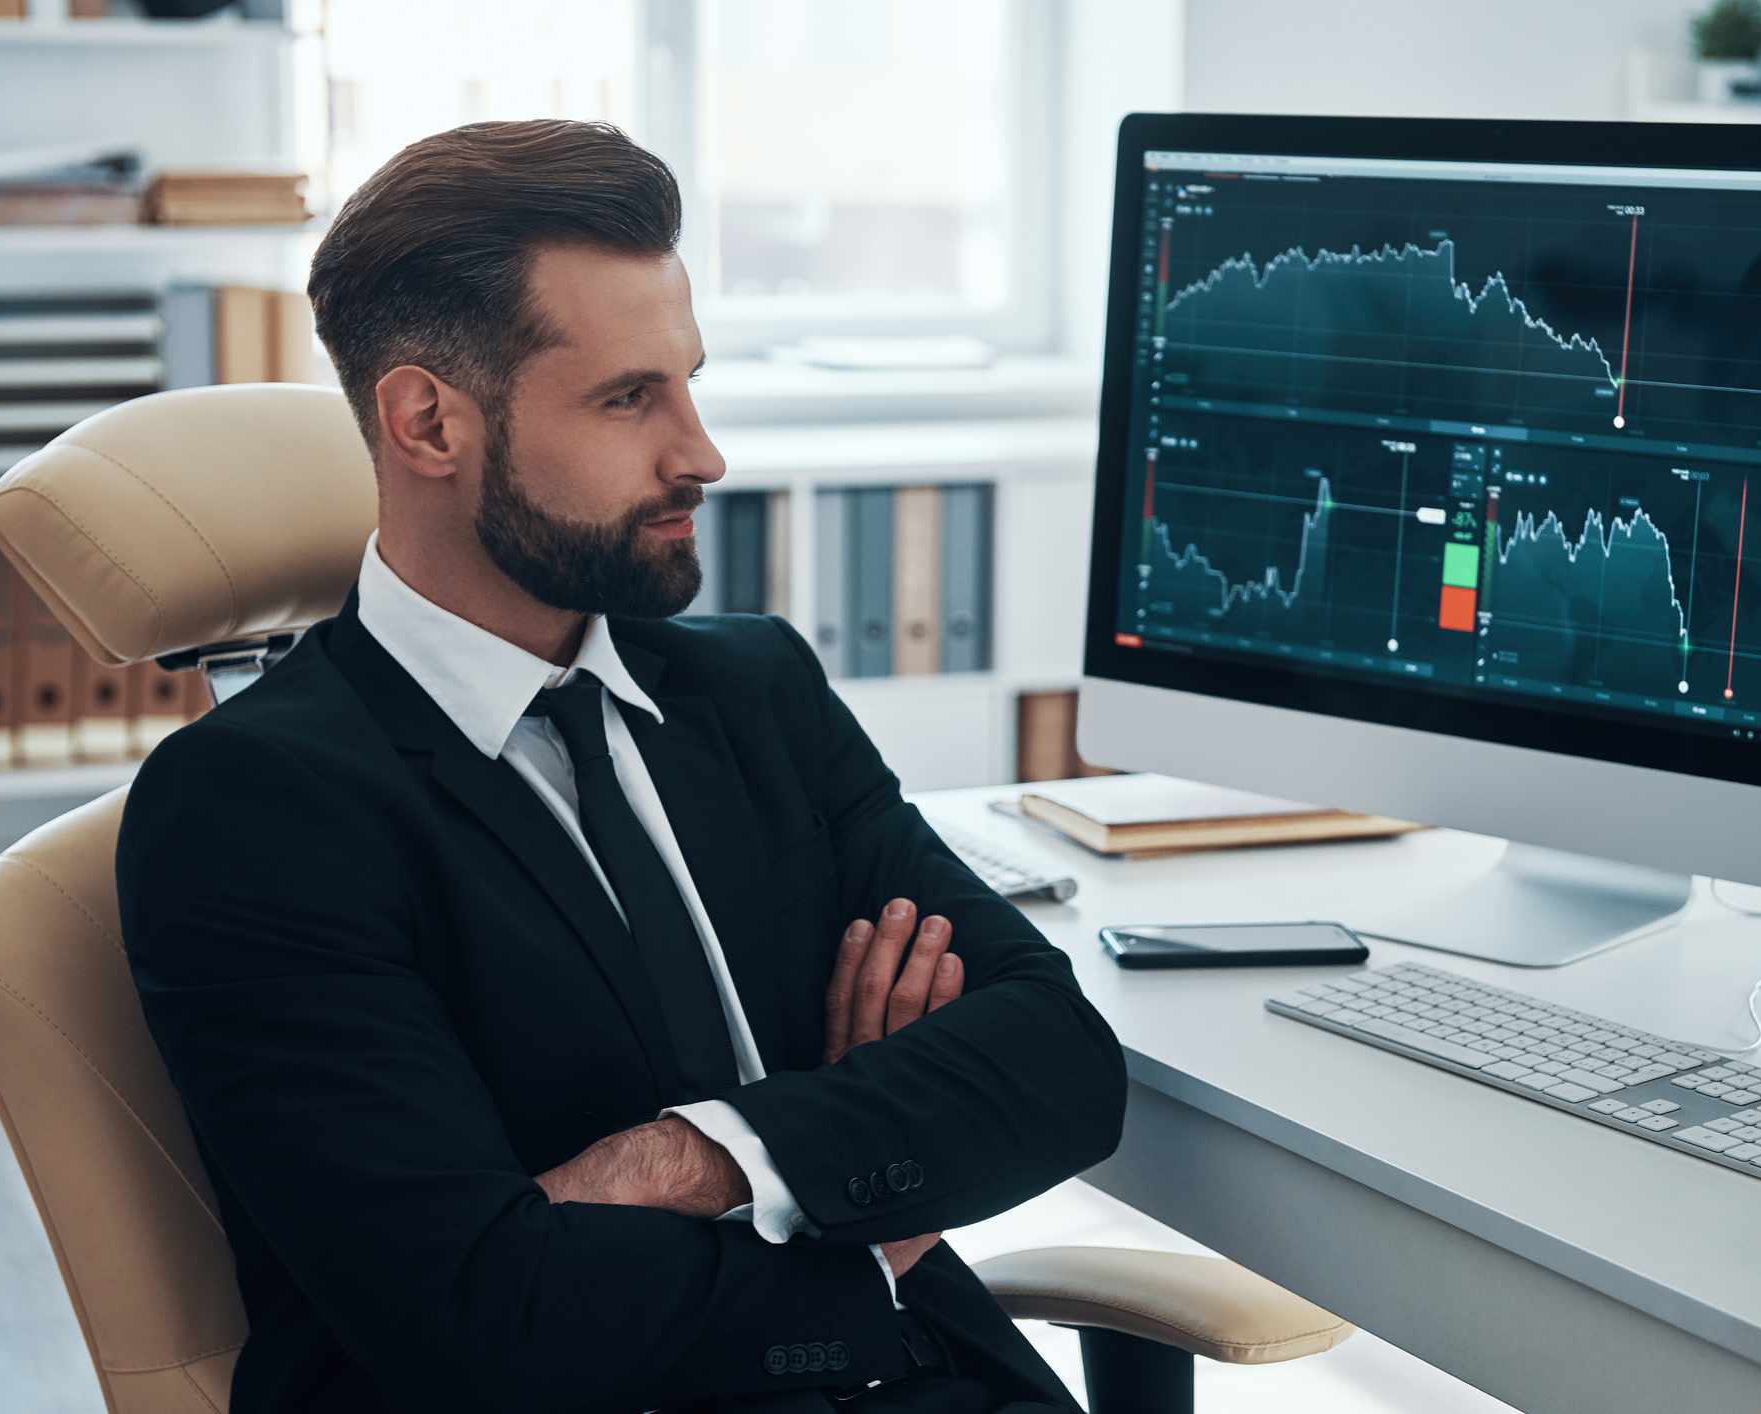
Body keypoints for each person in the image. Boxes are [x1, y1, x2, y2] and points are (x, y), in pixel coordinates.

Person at [115, 117, 1127, 1414]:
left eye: (689, 383)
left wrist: (696, 1158)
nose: (702, 452)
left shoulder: (753, 689)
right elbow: (489, 1315)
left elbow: (1058, 1059)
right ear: (429, 421)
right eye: (628, 398)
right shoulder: (258, 808)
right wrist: (867, 1189)